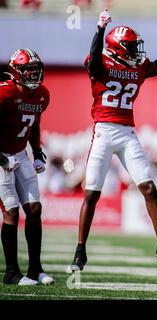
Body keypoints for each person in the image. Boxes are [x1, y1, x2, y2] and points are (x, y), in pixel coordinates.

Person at [69, 9, 157, 272]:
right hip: (103, 131)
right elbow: (94, 61)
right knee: (91, 194)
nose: (136, 51)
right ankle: (80, 251)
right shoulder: (100, 63)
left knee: (149, 187)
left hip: (127, 132)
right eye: (131, 47)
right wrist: (99, 29)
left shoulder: (137, 67)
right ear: (118, 48)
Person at [0, 48, 54, 285]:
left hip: (20, 154)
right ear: (16, 71)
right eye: (29, 71)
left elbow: (34, 124)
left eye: (36, 70)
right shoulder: (4, 93)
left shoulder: (42, 94)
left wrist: (38, 153)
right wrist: (2, 158)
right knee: (11, 211)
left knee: (34, 209)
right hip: (2, 156)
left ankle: (35, 269)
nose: (34, 75)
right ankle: (11, 272)